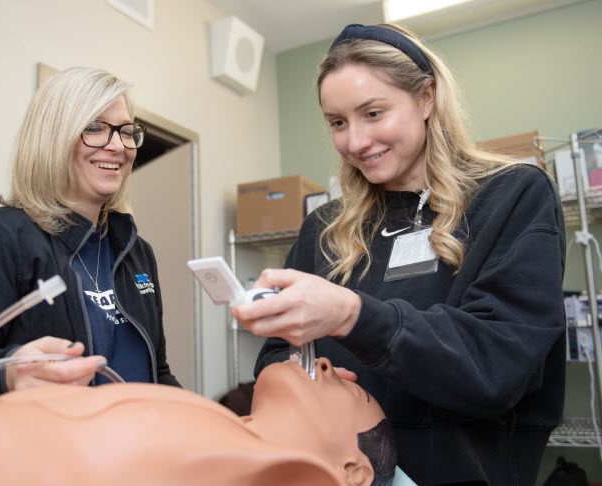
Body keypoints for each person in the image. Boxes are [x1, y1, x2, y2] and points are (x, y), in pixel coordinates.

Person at [232, 23, 566, 486]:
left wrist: (350, 315)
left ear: (426, 97)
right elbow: (274, 356)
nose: (355, 142)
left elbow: (497, 364)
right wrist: (293, 375)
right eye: (337, 122)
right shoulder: (325, 229)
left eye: (373, 113)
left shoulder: (512, 197)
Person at [0, 67, 180, 398]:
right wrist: (7, 376)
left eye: (127, 131)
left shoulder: (136, 252)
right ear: (52, 138)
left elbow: (158, 370)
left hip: (138, 444)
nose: (118, 146)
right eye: (95, 128)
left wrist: (208, 422)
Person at [0, 358, 396, 486]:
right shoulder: (219, 429)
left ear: (350, 472)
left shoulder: (245, 462)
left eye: (352, 392)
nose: (332, 367)